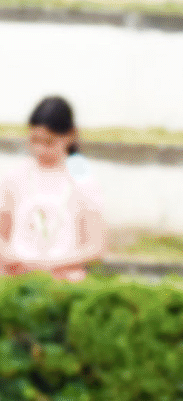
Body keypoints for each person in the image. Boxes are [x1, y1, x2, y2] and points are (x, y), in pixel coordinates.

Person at [1, 96, 107, 282]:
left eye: (49, 142)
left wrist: (47, 265)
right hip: (15, 278)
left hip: (64, 280)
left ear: (70, 135)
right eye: (34, 140)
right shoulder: (15, 176)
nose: (40, 150)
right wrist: (14, 259)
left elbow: (96, 248)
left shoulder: (82, 178)